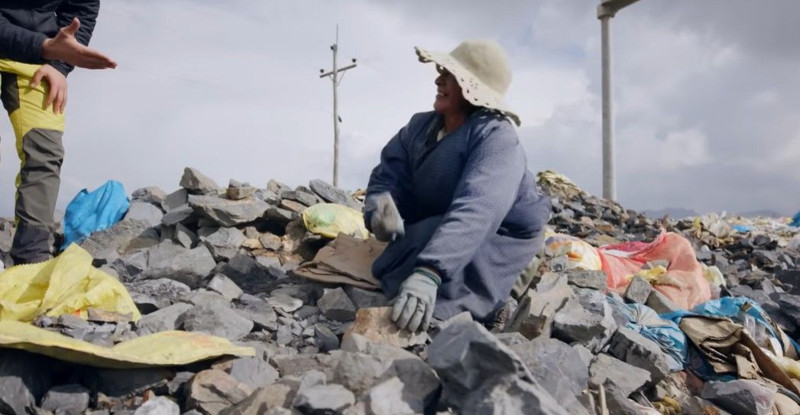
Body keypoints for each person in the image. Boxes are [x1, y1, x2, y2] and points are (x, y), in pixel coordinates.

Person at [364, 39, 551, 333]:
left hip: (497, 234)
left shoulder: (497, 138)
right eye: (441, 72)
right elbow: (387, 174)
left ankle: (501, 293)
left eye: (450, 76)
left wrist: (430, 271)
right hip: (440, 223)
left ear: (472, 88)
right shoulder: (419, 127)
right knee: (413, 246)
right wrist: (380, 208)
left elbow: (480, 207)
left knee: (441, 303)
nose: (439, 80)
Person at [0, 1, 116, 264]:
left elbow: (81, 11)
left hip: (36, 59)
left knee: (45, 151)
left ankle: (30, 257)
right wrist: (46, 47)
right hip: (38, 47)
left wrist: (58, 65)